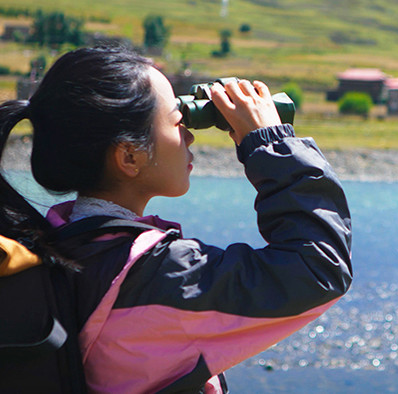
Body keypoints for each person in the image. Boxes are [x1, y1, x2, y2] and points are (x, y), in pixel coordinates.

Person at [0, 46, 352, 393]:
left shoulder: (54, 246)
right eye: (177, 120)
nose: (190, 135)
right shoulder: (152, 275)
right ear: (129, 155)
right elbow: (317, 269)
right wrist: (269, 143)